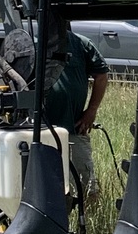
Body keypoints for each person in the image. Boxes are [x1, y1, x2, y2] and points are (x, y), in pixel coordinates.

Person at [36, 17, 109, 202]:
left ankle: (89, 220)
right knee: (45, 183)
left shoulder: (80, 44)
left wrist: (91, 111)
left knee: (86, 184)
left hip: (74, 126)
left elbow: (101, 75)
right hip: (41, 130)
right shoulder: (32, 44)